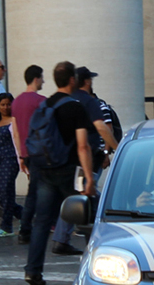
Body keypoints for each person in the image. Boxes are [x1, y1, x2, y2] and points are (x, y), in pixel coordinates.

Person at [24, 61, 96, 285]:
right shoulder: (74, 107)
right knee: (89, 217)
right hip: (69, 171)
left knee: (42, 222)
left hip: (44, 169)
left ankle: (33, 270)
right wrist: (89, 176)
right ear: (72, 80)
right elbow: (83, 146)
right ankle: (98, 267)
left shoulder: (45, 105)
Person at [48, 66, 118, 253]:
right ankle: (92, 239)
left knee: (78, 196)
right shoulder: (90, 102)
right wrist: (115, 149)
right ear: (87, 81)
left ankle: (65, 238)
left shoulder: (65, 101)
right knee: (88, 195)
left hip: (65, 158)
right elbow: (103, 128)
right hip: (86, 156)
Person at [12, 65, 46, 246]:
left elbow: (16, 132)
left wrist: (20, 155)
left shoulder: (16, 102)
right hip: (41, 152)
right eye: (42, 78)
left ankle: (28, 228)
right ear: (36, 79)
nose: (43, 81)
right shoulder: (41, 101)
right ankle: (26, 229)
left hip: (26, 153)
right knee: (35, 192)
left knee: (35, 190)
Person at [0, 92, 23, 237]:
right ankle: (25, 215)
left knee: (7, 192)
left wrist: (21, 158)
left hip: (9, 160)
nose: (5, 107)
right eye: (2, 104)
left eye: (8, 104)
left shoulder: (14, 121)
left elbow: (17, 140)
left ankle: (6, 226)